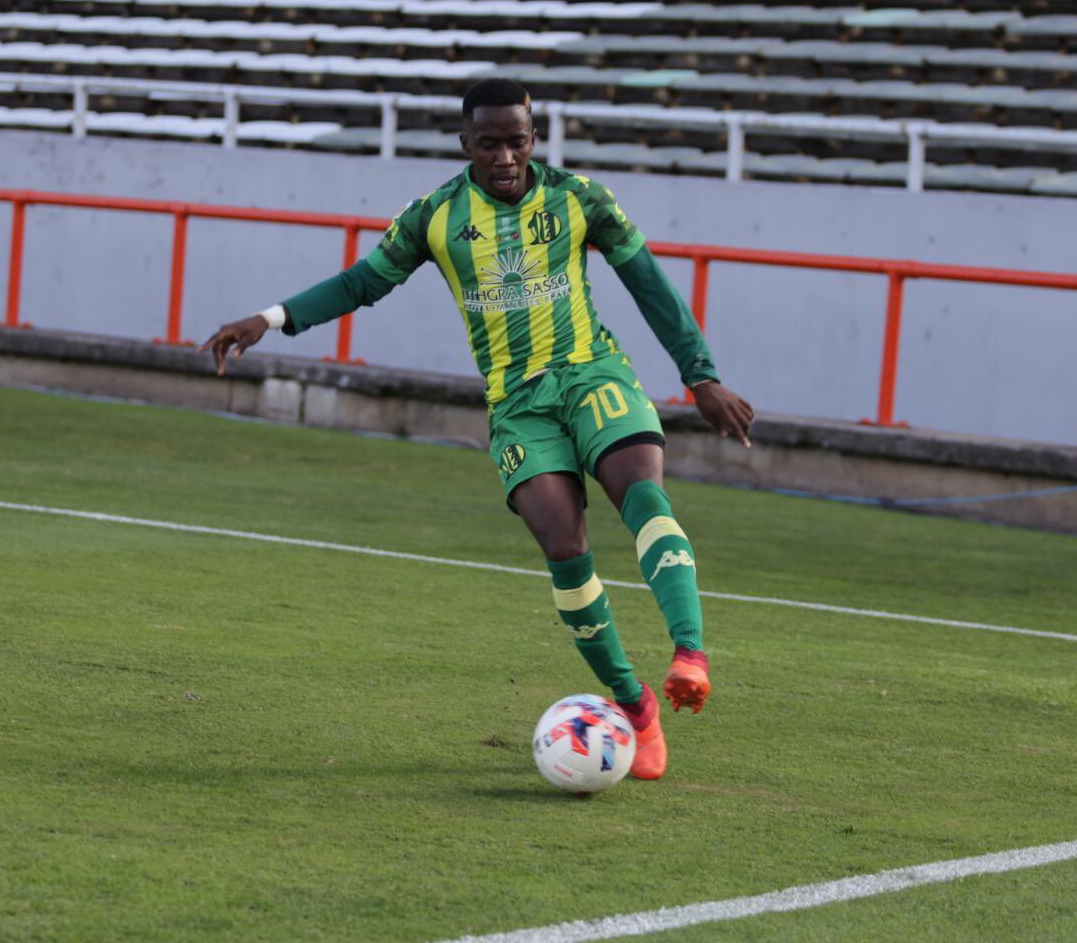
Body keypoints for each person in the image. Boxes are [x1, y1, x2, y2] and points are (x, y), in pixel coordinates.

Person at [201, 78, 755, 781]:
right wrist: (271, 319)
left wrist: (699, 374)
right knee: (564, 544)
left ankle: (690, 654)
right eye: (488, 142)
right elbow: (361, 283)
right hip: (518, 403)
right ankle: (634, 703)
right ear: (465, 143)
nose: (504, 156)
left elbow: (648, 282)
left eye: (516, 140)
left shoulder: (580, 198)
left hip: (593, 374)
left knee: (640, 491)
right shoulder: (436, 216)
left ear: (534, 138)